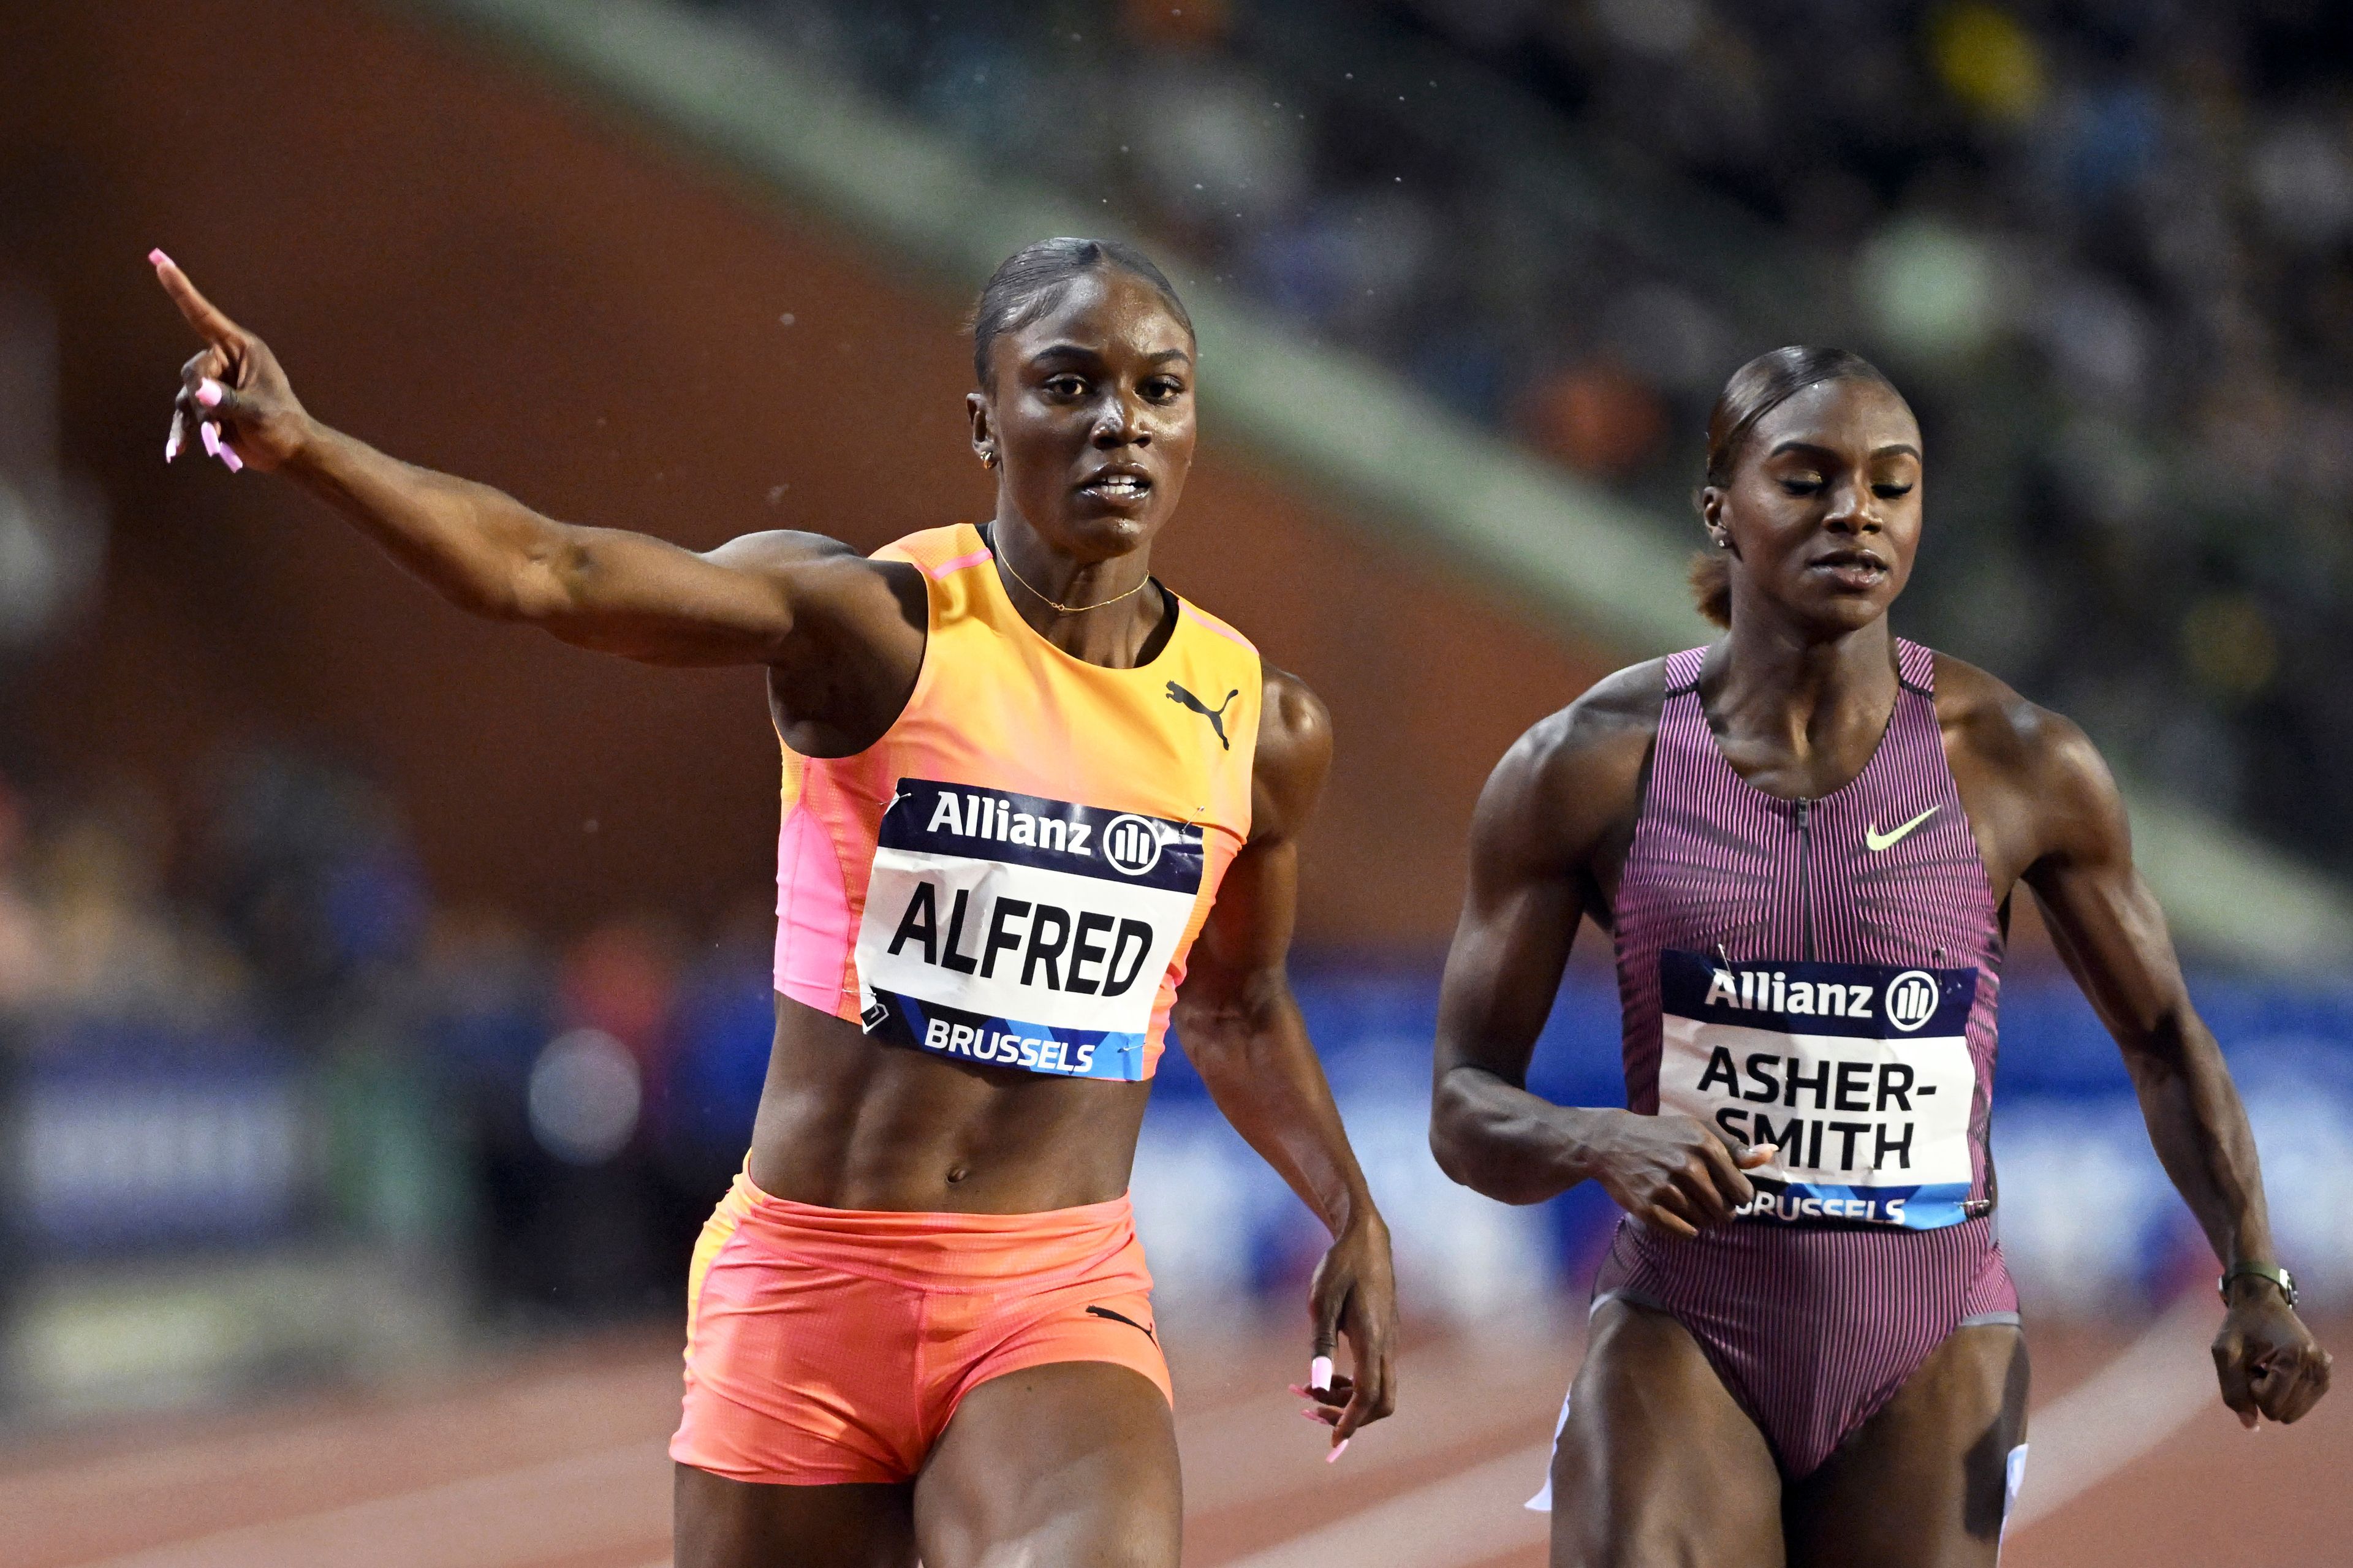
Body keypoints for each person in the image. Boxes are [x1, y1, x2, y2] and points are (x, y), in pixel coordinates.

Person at [151, 235, 1396, 1568]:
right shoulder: (869, 627)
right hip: (807, 1291)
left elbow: (1240, 1000)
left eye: (1160, 390)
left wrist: (1350, 1209)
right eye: (1070, 384)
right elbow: (550, 571)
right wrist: (312, 447)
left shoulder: (1258, 727)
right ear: (986, 421)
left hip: (1050, 1294)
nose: (1121, 425)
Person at [1428, 346, 2330, 1566]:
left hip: (1933, 1335)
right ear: (1719, 510)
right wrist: (1602, 1138)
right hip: (1684, 1320)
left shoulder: (2019, 762)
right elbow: (1461, 1102)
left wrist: (2252, 1272)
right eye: (1806, 478)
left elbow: (2165, 1037)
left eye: (1891, 483)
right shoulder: (1584, 764)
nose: (1855, 509)